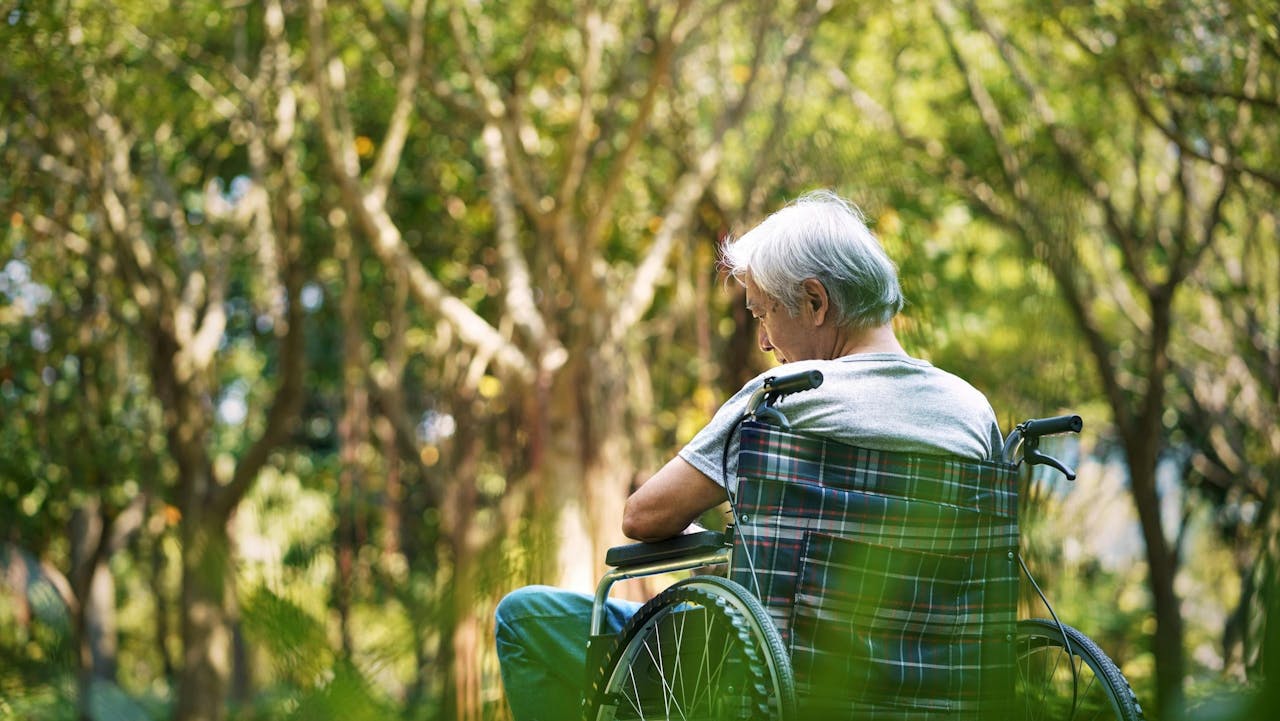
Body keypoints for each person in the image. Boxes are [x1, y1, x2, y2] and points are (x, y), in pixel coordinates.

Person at [493, 189, 1003, 720]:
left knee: (524, 617)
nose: (763, 341)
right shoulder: (972, 411)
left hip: (769, 682)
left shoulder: (785, 396)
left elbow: (643, 517)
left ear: (815, 301)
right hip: (939, 690)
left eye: (764, 314)